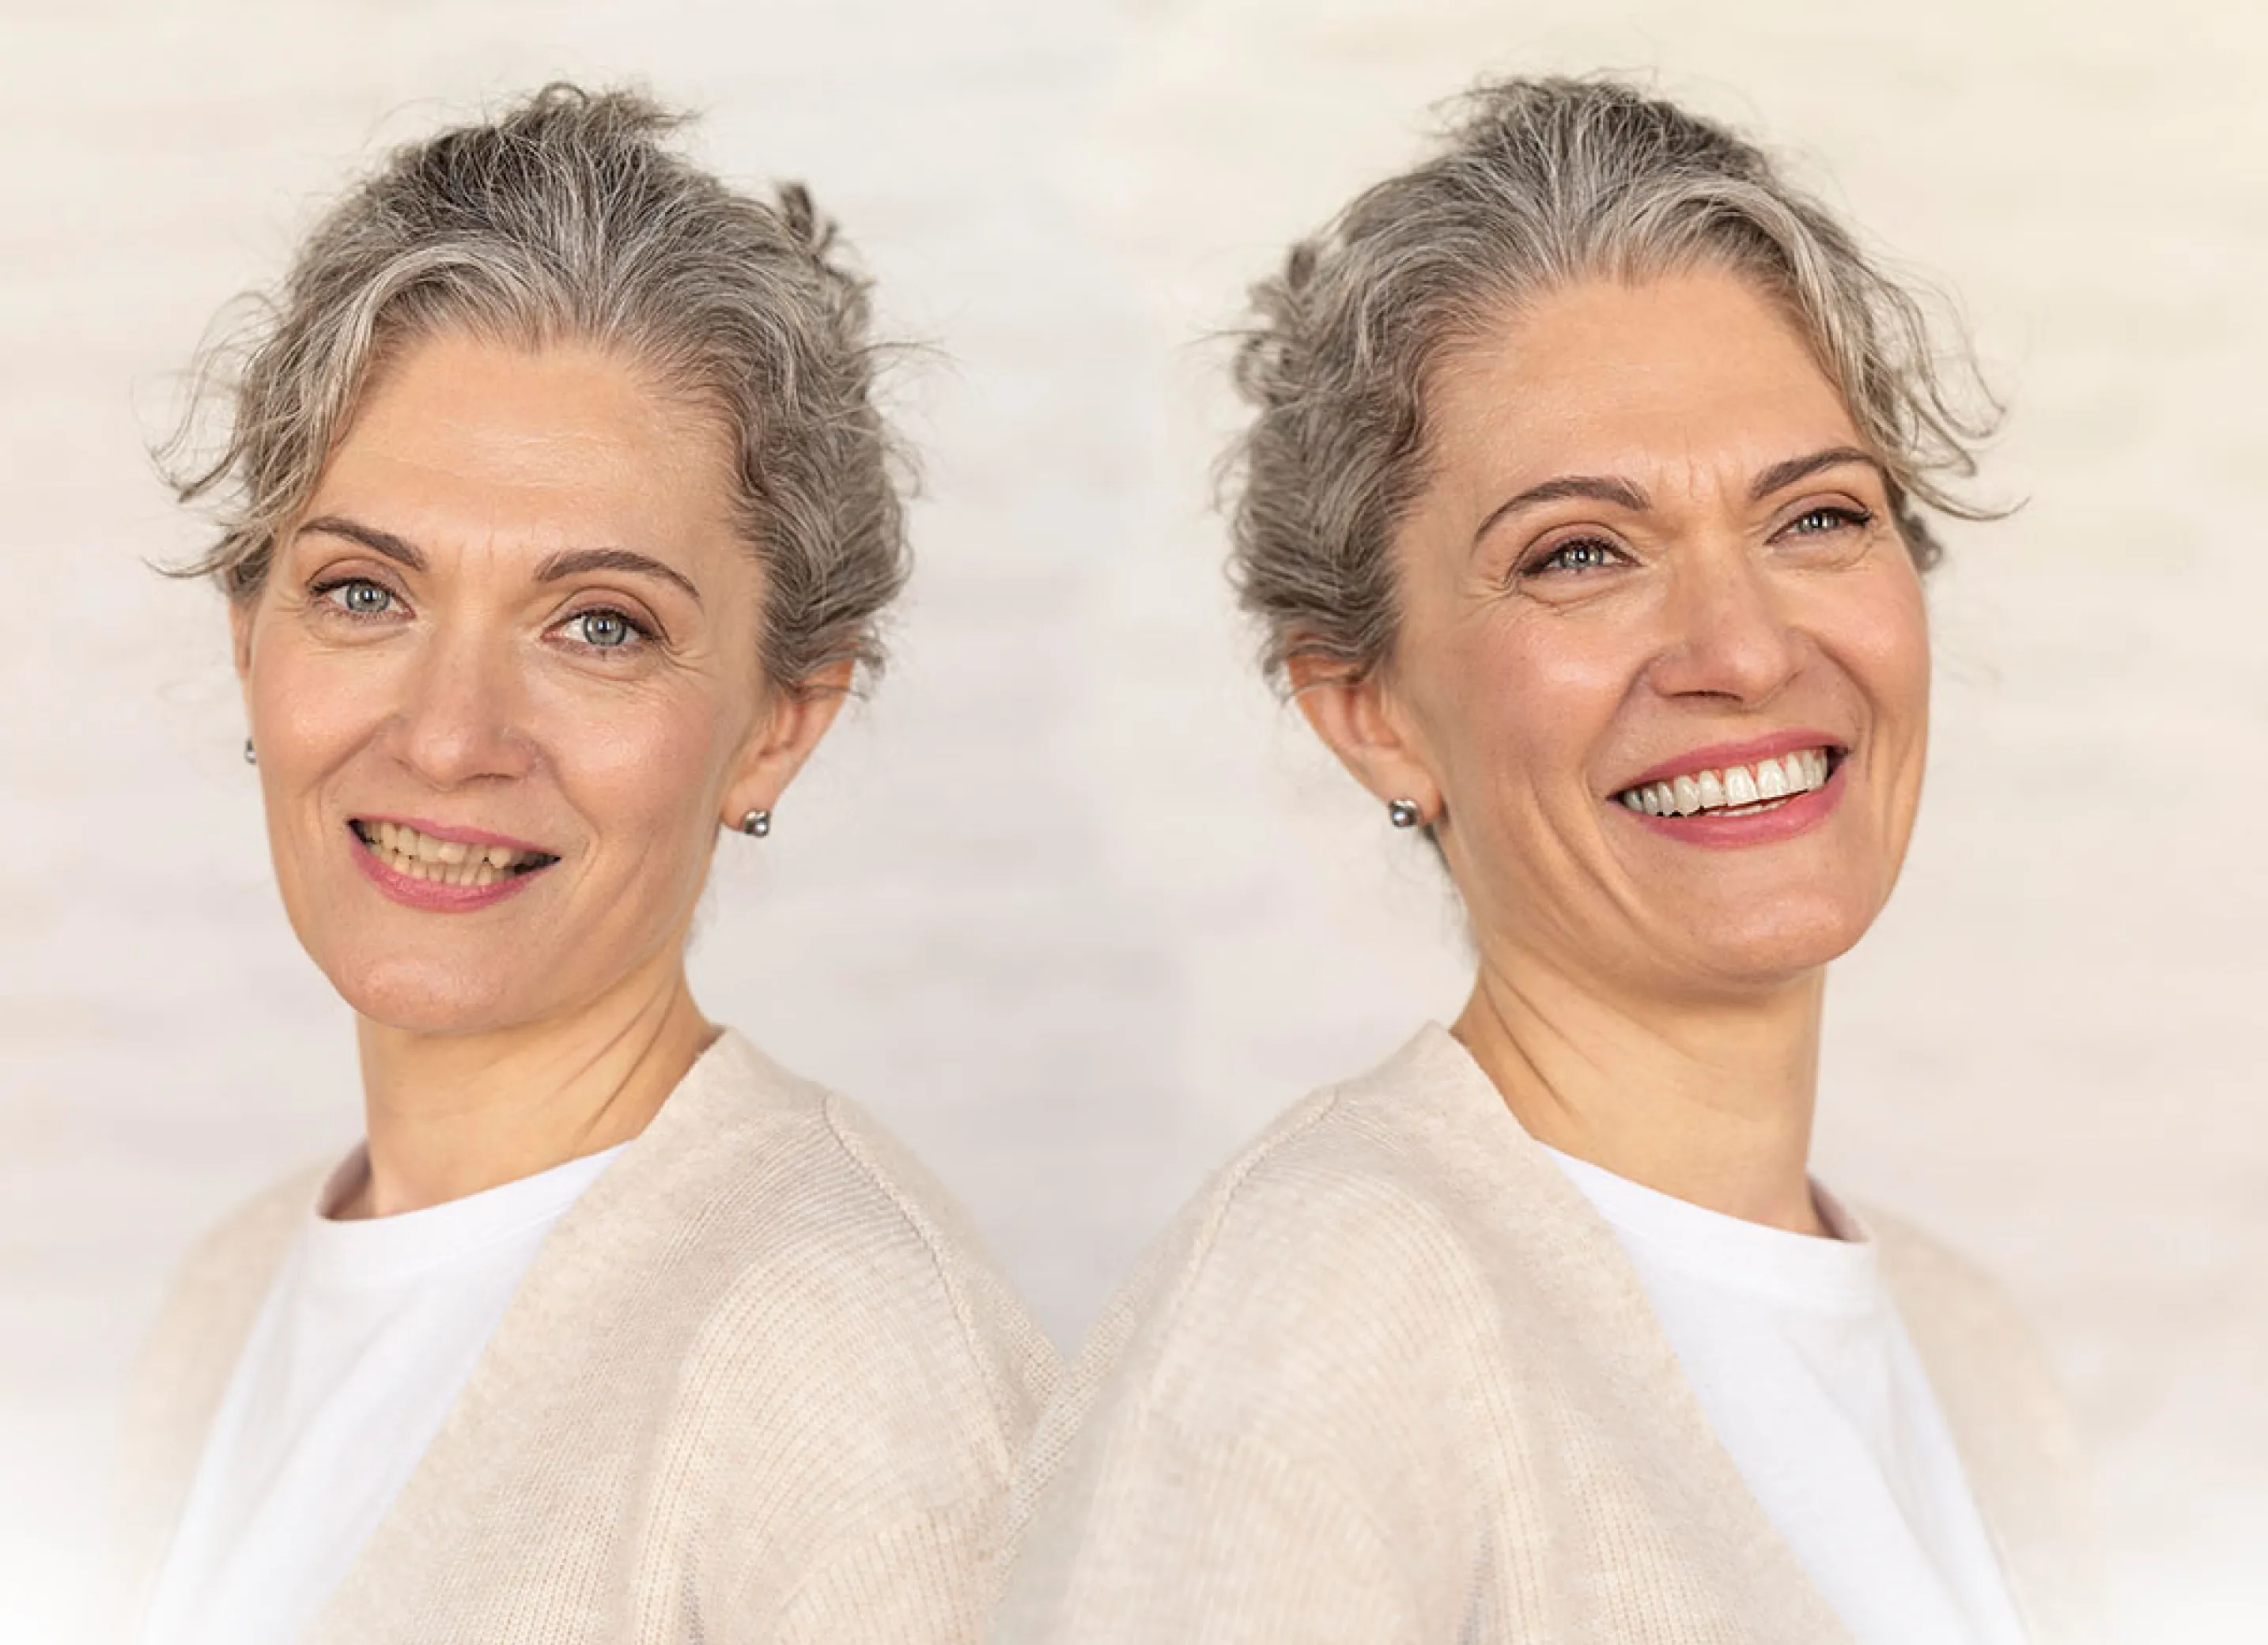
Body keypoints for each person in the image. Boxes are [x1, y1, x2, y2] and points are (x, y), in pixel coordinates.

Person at [997, 76, 2098, 1643]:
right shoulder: (1317, 1328)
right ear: (1371, 709)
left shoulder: (1975, 1357)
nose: (1742, 649)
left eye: (1815, 518)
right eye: (1581, 551)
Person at [97, 84, 1055, 1645]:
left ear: (778, 725)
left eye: (599, 624)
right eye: (363, 593)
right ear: (249, 638)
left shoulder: (847, 1354)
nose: (449, 735)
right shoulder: (228, 1298)